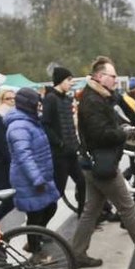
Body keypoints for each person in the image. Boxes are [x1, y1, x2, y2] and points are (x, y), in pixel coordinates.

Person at [70, 56, 135, 268]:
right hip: (101, 164)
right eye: (113, 76)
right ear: (100, 77)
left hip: (94, 163)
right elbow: (101, 134)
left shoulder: (100, 97)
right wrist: (124, 133)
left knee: (91, 211)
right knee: (127, 207)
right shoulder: (92, 101)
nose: (116, 80)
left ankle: (77, 253)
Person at [5, 87, 60, 254]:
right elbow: (24, 156)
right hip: (28, 179)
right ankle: (35, 250)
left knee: (50, 207)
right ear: (28, 105)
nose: (39, 107)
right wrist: (37, 179)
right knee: (35, 215)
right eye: (36, 104)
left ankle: (36, 238)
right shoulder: (19, 127)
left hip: (40, 175)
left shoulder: (30, 121)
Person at [41, 67, 87, 212]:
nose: (71, 83)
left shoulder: (67, 99)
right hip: (60, 154)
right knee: (58, 191)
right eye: (68, 80)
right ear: (60, 80)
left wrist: (76, 144)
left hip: (72, 151)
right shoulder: (50, 99)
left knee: (82, 182)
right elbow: (46, 124)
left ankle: (82, 215)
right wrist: (59, 143)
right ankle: (41, 221)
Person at [0, 89, 18, 223]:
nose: (12, 100)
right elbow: (4, 147)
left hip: (12, 166)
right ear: (1, 101)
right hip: (4, 168)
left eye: (14, 98)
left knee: (14, 200)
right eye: (8, 98)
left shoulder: (13, 118)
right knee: (9, 202)